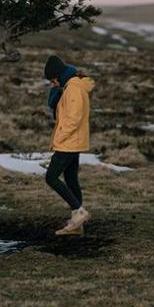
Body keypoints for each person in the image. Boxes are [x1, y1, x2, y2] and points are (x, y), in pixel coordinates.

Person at [44, 55, 95, 236]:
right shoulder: (72, 86)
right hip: (74, 141)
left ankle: (79, 212)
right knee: (71, 178)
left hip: (69, 142)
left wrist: (60, 137)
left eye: (52, 79)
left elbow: (74, 119)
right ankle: (77, 224)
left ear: (58, 75)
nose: (53, 83)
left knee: (51, 177)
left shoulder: (73, 88)